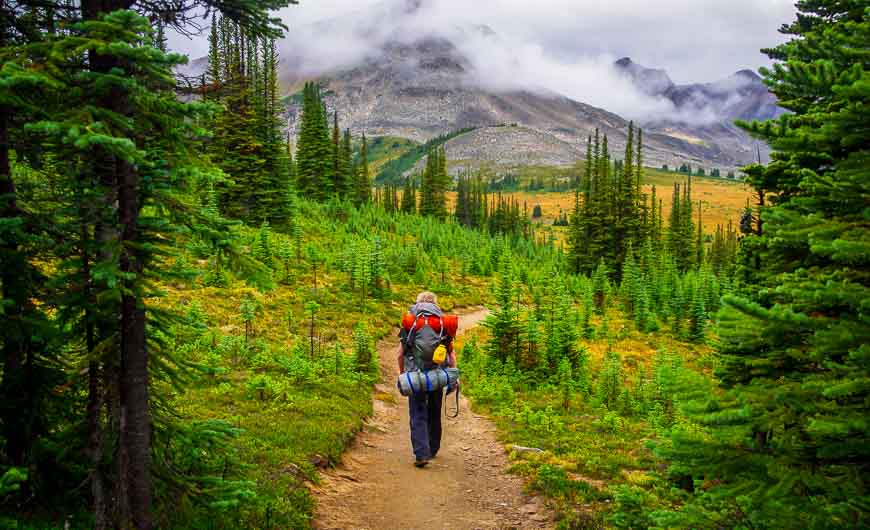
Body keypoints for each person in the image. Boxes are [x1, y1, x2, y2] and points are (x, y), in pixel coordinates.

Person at [397, 291, 457, 468]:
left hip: (415, 374)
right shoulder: (441, 322)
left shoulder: (411, 321)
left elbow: (400, 353)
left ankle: (421, 454)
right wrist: (453, 375)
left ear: (417, 303)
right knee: (434, 410)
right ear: (435, 304)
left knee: (417, 413)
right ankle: (433, 448)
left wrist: (402, 373)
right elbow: (451, 353)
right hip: (437, 375)